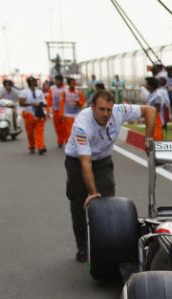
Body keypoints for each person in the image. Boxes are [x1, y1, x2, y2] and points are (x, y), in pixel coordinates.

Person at [64, 90, 156, 262]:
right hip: (78, 161)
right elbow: (85, 162)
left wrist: (148, 138)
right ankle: (83, 246)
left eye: (108, 110)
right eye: (101, 109)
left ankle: (106, 246)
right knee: (79, 204)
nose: (105, 114)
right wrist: (91, 192)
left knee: (107, 204)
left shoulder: (120, 111)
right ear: (92, 107)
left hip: (103, 160)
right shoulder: (82, 125)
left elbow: (150, 110)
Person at [18, 77, 48, 155]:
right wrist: (32, 103)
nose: (36, 82)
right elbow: (21, 103)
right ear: (31, 82)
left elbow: (45, 103)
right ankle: (32, 146)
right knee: (30, 133)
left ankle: (41, 147)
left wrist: (42, 105)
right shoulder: (24, 92)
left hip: (38, 114)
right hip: (29, 114)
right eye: (35, 81)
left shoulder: (39, 92)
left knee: (39, 131)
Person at [61, 78, 85, 145]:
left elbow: (82, 104)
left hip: (77, 114)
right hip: (68, 114)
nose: (73, 85)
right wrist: (62, 114)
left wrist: (78, 102)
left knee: (78, 129)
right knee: (69, 130)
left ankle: (76, 142)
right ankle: (70, 143)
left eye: (74, 83)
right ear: (69, 84)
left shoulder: (78, 92)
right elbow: (62, 103)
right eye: (72, 83)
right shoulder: (65, 92)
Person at [49, 75, 67, 147]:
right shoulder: (52, 88)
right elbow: (49, 99)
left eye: (59, 80)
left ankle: (67, 140)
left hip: (66, 111)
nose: (57, 82)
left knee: (66, 127)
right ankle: (60, 141)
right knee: (58, 127)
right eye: (56, 80)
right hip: (56, 110)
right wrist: (49, 108)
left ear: (62, 81)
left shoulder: (66, 88)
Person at [144, 77, 165, 141]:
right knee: (150, 137)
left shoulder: (157, 95)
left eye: (147, 84)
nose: (146, 85)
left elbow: (157, 110)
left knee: (156, 137)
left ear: (151, 86)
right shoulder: (150, 94)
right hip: (150, 118)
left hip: (155, 119)